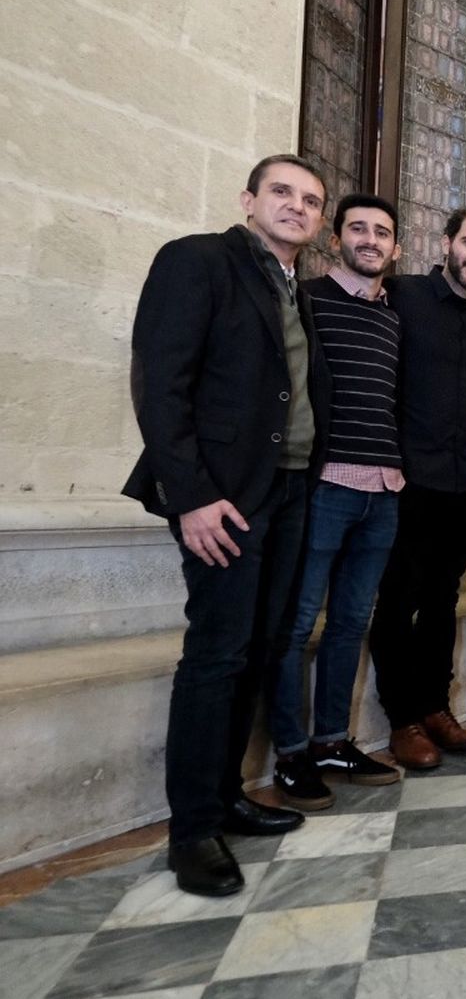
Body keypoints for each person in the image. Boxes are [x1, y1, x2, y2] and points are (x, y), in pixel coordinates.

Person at [123, 154, 331, 896]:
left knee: (264, 646)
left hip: (291, 489)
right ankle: (193, 830)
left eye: (310, 200)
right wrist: (191, 496)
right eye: (281, 191)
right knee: (216, 654)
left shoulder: (295, 289)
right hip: (226, 496)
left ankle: (229, 797)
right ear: (249, 199)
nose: (295, 206)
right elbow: (160, 381)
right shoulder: (197, 261)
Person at [269, 194, 405, 809]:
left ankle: (331, 739)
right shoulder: (309, 301)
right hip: (324, 486)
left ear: (396, 249)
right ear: (336, 239)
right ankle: (290, 753)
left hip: (384, 490)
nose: (370, 239)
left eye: (382, 232)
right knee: (296, 625)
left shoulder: (392, 316)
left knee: (352, 622)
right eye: (358, 229)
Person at [368, 207, 466, 768]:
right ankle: (401, 719)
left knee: (444, 603)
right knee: (398, 604)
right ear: (447, 243)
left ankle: (434, 708)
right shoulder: (400, 296)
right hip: (406, 482)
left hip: (460, 485)